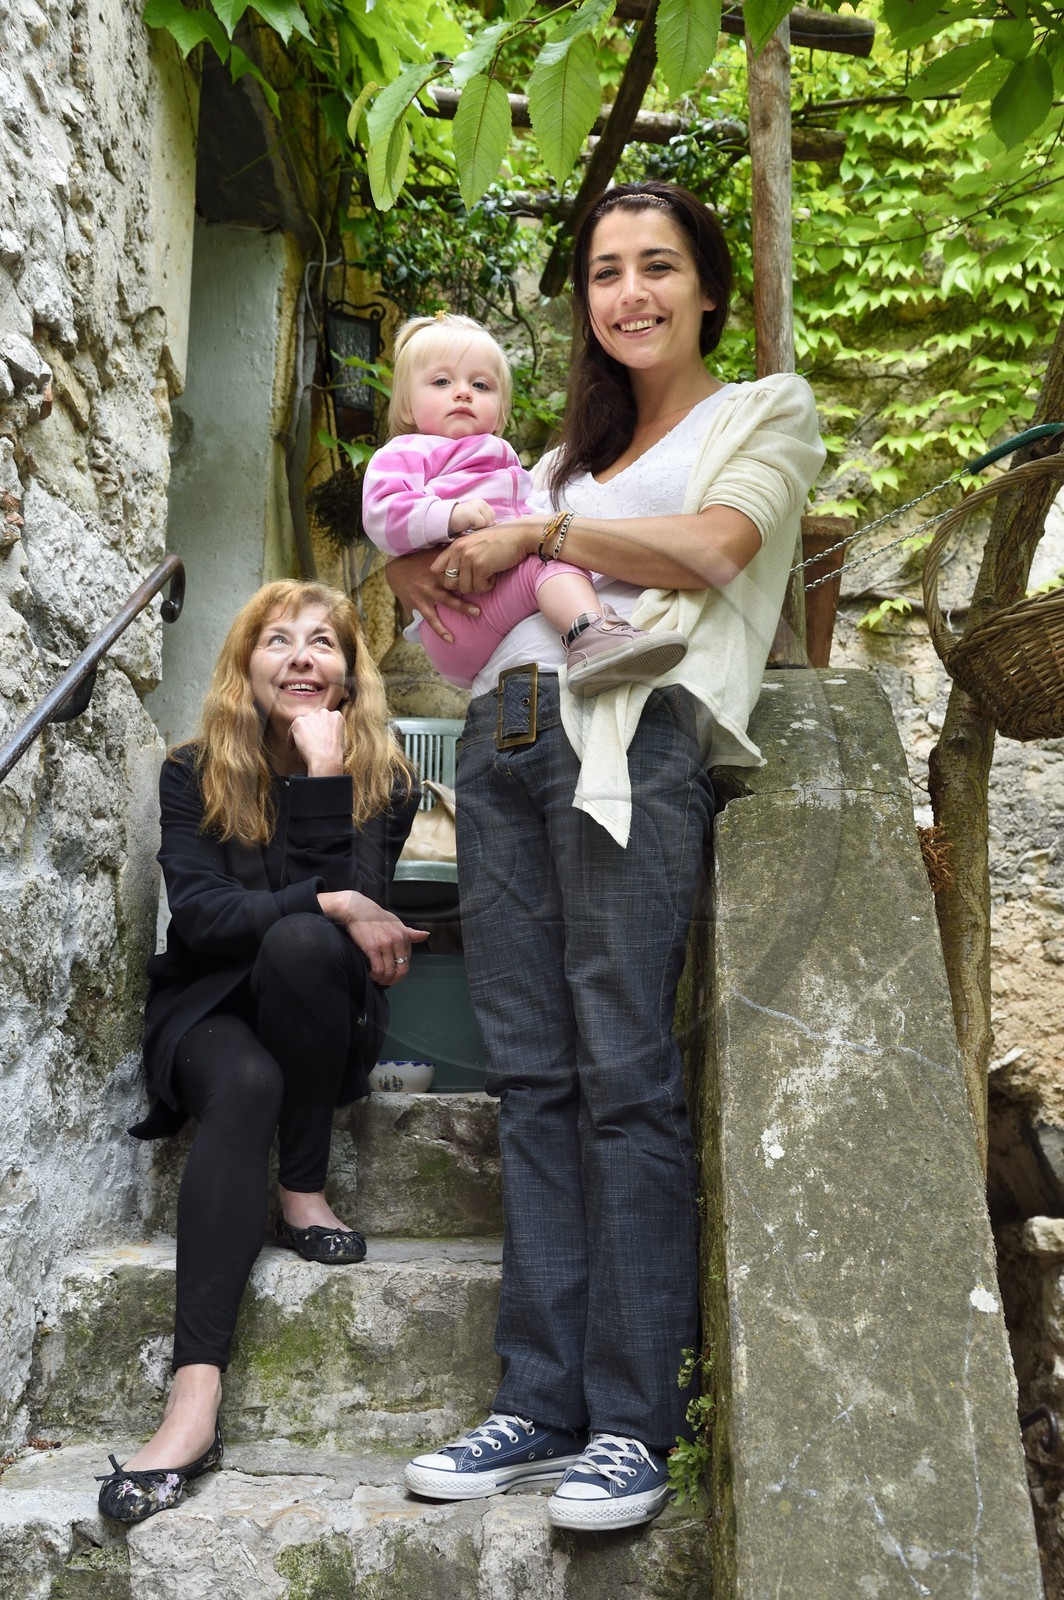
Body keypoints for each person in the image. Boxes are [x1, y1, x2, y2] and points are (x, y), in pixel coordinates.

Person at [388, 182, 825, 1532]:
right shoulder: (561, 459)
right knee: (533, 1081)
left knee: (625, 1073)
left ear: (705, 288)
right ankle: (540, 1400)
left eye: (656, 267)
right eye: (603, 272)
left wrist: (543, 534)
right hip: (504, 746)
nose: (628, 291)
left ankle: (633, 1423)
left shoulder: (766, 410)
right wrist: (445, 585)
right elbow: (469, 610)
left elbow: (713, 549)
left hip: (631, 740)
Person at [95, 580, 423, 1526]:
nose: (301, 657)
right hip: (206, 1004)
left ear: (351, 674)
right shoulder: (191, 770)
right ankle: (191, 1406)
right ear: (246, 667)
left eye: (324, 642)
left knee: (305, 943)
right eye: (276, 641)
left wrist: (324, 787)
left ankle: (303, 1187)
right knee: (244, 1080)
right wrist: (324, 903)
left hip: (322, 1006)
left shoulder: (385, 783)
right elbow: (199, 918)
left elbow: (352, 918)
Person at [361, 311, 687, 696]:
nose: (463, 392)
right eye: (441, 381)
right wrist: (448, 516)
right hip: (456, 610)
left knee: (558, 543)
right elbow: (381, 511)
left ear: (500, 412)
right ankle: (591, 636)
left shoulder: (505, 458)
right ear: (406, 406)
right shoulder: (407, 451)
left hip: (487, 603)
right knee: (550, 551)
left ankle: (594, 625)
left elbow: (520, 521)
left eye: (481, 385)